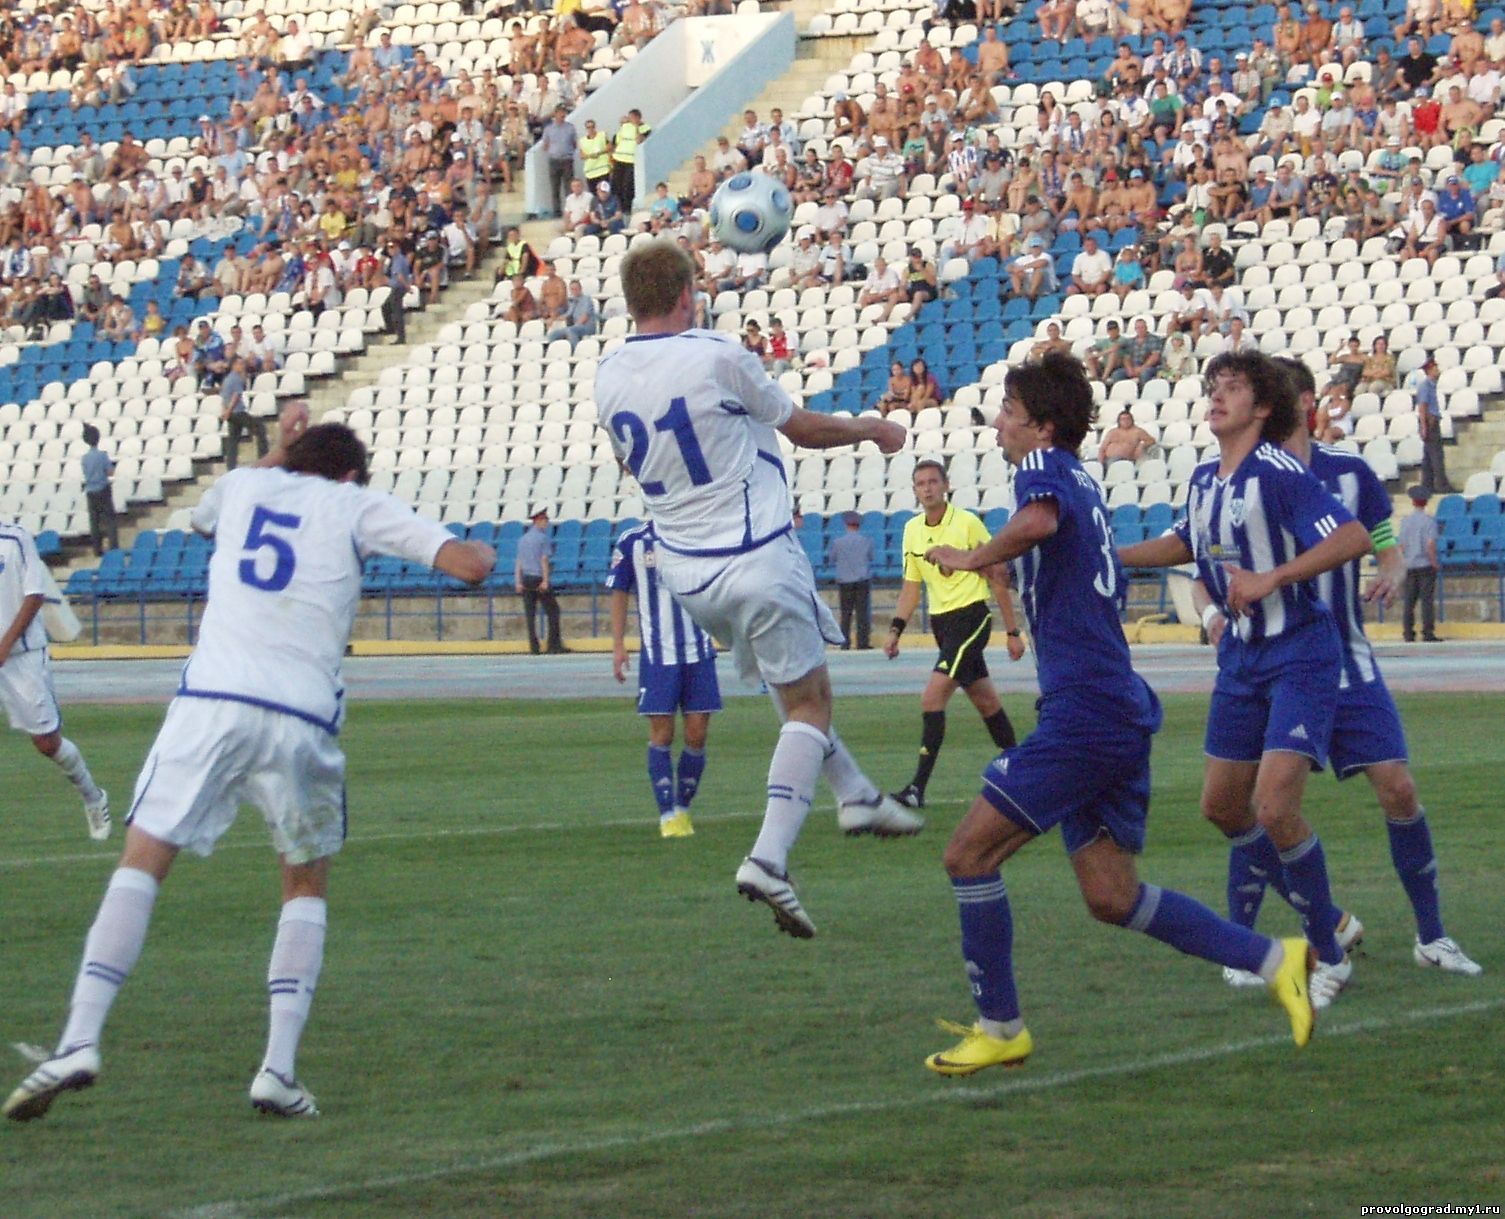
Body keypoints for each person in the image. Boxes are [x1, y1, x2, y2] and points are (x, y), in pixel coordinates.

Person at [3, 410, 496, 1123]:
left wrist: (276, 450)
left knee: (141, 862)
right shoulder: (357, 502)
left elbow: (205, 519)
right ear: (353, 473)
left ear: (291, 460)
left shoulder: (241, 486)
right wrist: (476, 542)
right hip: (299, 712)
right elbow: (471, 565)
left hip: (211, 700)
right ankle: (276, 1068)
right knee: (303, 878)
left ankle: (79, 1038)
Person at [919, 353, 1317, 1076]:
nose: (1000, 426)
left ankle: (1000, 1024)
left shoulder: (1042, 468)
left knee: (966, 854)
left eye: (1008, 412)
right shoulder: (1084, 480)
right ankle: (1271, 956)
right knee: (1110, 894)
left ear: (1041, 425)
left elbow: (1036, 521)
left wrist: (975, 556)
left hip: (1088, 712)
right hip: (1109, 704)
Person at [594, 239, 918, 939]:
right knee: (810, 702)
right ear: (685, 294)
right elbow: (801, 429)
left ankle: (855, 794)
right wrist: (872, 427)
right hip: (753, 557)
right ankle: (769, 858)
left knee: (786, 685)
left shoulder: (607, 374)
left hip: (685, 573)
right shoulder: (715, 353)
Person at [1206, 363, 1478, 980]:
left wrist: (1393, 566)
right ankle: (1254, 944)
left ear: (1297, 403)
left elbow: (1377, 535)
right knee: (1254, 803)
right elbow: (1207, 553)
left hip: (1346, 661)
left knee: (1398, 788)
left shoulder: (1348, 473)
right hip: (1276, 659)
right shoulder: (1241, 476)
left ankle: (1431, 935)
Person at [1118, 352, 1372, 1010]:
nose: (1215, 396)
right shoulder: (1204, 479)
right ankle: (1334, 918)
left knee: (1273, 806)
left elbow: (1349, 537)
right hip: (1240, 659)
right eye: (1211, 387)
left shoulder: (1280, 472)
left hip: (1299, 652)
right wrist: (1106, 553)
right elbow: (1185, 543)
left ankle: (1327, 948)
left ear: (1261, 407)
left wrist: (1272, 578)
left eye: (1230, 387)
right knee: (1220, 807)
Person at [885, 459, 1024, 811]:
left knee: (932, 699)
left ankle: (917, 788)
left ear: (946, 485)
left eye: (933, 481)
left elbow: (997, 575)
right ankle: (1027, 772)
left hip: (971, 618)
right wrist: (895, 630)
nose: (928, 488)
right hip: (941, 624)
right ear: (914, 490)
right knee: (987, 702)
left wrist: (1012, 631)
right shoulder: (912, 530)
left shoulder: (966, 522)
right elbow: (911, 587)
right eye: (921, 483)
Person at [608, 521, 720, 838]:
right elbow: (619, 591)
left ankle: (683, 809)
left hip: (699, 650)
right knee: (662, 733)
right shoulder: (633, 541)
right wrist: (618, 644)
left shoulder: (701, 533)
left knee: (698, 733)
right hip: (659, 655)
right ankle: (667, 814)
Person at [0, 518, 110, 842]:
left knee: (46, 742)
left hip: (22, 655)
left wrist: (6, 644)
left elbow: (35, 595)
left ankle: (93, 797)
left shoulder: (15, 538)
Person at [516, 508, 566, 655]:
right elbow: (544, 559)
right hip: (538, 578)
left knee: (530, 614)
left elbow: (519, 562)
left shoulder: (523, 539)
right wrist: (545, 580)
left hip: (526, 579)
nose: (547, 523)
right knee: (553, 611)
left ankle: (534, 647)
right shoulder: (543, 538)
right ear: (538, 521)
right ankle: (553, 645)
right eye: (545, 520)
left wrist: (518, 581)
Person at [1399, 486, 1442, 643]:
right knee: (1427, 600)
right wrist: (1434, 562)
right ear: (1425, 503)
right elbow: (1430, 545)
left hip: (1409, 565)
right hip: (1425, 565)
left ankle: (1408, 633)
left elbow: (1401, 546)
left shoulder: (1405, 521)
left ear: (1413, 502)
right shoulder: (1430, 521)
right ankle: (1428, 632)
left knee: (1409, 601)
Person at [827, 512, 873, 650]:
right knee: (862, 613)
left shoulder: (838, 542)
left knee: (846, 613)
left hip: (844, 581)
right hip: (862, 579)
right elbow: (871, 557)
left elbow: (832, 559)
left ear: (847, 524)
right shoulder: (866, 541)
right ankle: (862, 642)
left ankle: (844, 642)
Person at [219, 356, 268, 470]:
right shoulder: (236, 379)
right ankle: (263, 458)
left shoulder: (227, 379)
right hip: (237, 412)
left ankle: (230, 466)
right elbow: (236, 396)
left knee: (233, 440)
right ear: (234, 365)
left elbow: (223, 397)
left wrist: (225, 411)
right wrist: (229, 410)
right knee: (260, 428)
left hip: (231, 413)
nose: (242, 366)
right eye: (239, 364)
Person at [1416, 356, 1454, 494]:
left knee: (1428, 456)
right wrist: (1424, 426)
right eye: (1435, 368)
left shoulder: (1430, 385)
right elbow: (1423, 406)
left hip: (1431, 421)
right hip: (1430, 421)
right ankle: (1442, 484)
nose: (1437, 370)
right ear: (1430, 370)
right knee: (1436, 454)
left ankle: (1427, 484)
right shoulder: (1426, 386)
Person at [80, 424, 119, 557]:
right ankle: (113, 546)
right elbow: (110, 472)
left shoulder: (84, 458)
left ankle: (97, 549)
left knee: (94, 521)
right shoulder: (102, 456)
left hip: (90, 491)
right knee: (110, 519)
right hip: (103, 489)